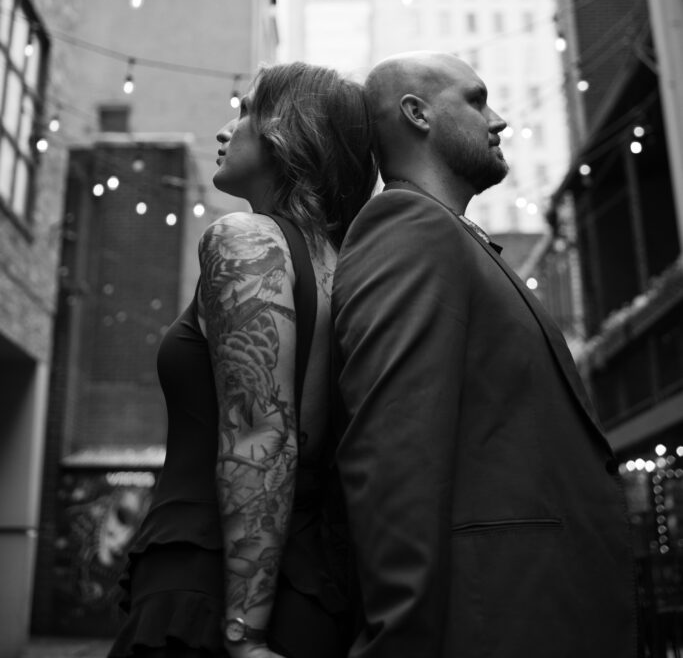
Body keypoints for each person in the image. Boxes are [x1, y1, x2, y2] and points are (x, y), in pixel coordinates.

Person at [331, 51, 638, 658]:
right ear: (416, 114)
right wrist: (399, 639)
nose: (496, 119)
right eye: (475, 100)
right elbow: (395, 451)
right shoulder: (406, 229)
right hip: (495, 619)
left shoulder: (457, 241)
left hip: (543, 608)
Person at [109, 61, 377, 658]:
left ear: (290, 131)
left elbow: (261, 429)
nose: (226, 129)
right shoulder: (350, 266)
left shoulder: (247, 239)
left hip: (216, 581)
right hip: (312, 579)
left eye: (248, 110)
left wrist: (244, 632)